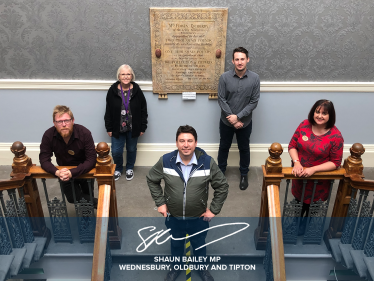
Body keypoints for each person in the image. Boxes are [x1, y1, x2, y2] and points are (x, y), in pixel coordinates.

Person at [147, 125, 229, 281]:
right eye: (182, 141)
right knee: (176, 244)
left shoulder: (207, 162)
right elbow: (152, 179)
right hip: (173, 216)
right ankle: (175, 268)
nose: (186, 145)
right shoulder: (165, 161)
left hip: (198, 218)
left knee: (199, 244)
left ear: (196, 142)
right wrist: (160, 203)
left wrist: (213, 210)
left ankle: (202, 268)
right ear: (177, 143)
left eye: (190, 141)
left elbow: (222, 186)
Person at [288, 99, 344, 235]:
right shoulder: (304, 124)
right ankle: (296, 224)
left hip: (319, 182)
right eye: (317, 112)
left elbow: (335, 162)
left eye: (324, 113)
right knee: (298, 203)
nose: (320, 116)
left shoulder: (336, 136)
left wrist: (314, 169)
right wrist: (296, 162)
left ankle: (305, 228)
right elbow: (292, 146)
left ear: (330, 116)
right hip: (299, 176)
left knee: (312, 208)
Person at [217, 47, 260, 190]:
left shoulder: (255, 78)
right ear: (232, 61)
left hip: (245, 122)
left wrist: (239, 117)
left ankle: (244, 174)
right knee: (224, 147)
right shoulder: (224, 78)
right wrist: (232, 119)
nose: (240, 62)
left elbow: (254, 101)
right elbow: (221, 99)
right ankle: (220, 174)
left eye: (242, 59)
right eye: (237, 59)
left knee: (244, 148)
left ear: (247, 60)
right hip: (226, 121)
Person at [39, 105, 97, 206]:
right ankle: (104, 203)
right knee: (71, 198)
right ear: (54, 123)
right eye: (59, 121)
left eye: (67, 120)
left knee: (87, 194)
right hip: (63, 172)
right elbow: (44, 159)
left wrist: (72, 172)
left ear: (72, 121)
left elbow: (91, 159)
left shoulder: (84, 133)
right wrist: (56, 172)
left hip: (85, 170)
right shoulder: (48, 135)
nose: (64, 124)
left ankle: (87, 219)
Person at [104, 64, 148, 181]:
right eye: (123, 74)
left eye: (128, 74)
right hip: (117, 127)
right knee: (116, 151)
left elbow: (143, 109)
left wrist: (143, 127)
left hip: (134, 127)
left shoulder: (137, 90)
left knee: (132, 149)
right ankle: (118, 169)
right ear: (119, 76)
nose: (126, 76)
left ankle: (129, 168)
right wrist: (109, 128)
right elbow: (108, 110)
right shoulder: (112, 91)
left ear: (132, 76)